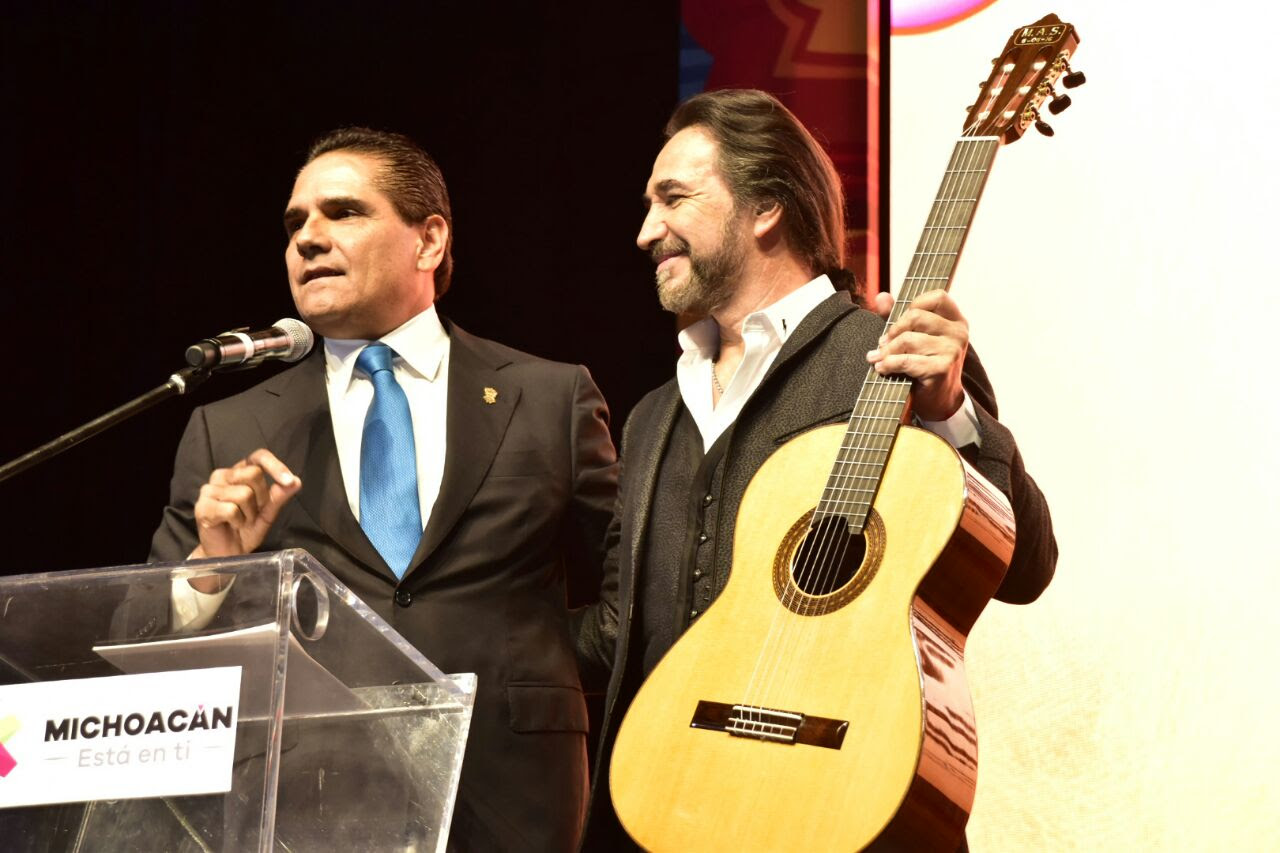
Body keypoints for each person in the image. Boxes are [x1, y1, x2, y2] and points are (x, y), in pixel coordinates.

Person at [573, 89, 1057, 849]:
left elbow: (1022, 566)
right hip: (670, 808)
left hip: (847, 805)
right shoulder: (651, 416)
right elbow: (617, 631)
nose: (645, 231)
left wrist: (951, 410)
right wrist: (455, 637)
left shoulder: (899, 356)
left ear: (766, 207)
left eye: (673, 198)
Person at [148, 127, 618, 851]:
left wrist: (533, 664)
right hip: (308, 800)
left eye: (343, 212)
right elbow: (147, 638)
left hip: (511, 790)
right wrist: (211, 568)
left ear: (428, 241)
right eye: (295, 223)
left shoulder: (550, 397)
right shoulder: (230, 427)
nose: (308, 238)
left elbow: (631, 592)